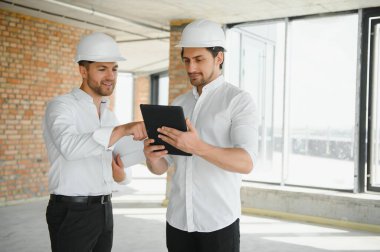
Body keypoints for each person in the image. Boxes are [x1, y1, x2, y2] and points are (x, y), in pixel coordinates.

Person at [143, 20, 258, 252]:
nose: (190, 68)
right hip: (178, 222)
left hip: (218, 223)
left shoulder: (238, 101)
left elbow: (246, 162)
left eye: (199, 60)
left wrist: (197, 147)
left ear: (219, 58)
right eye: (186, 60)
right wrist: (151, 157)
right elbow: (163, 166)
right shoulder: (179, 104)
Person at [43, 32, 147, 252]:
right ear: (83, 70)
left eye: (114, 68)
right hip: (72, 212)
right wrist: (123, 129)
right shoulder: (61, 107)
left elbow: (118, 160)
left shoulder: (108, 115)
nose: (111, 76)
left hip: (104, 209)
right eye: (102, 68)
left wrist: (123, 175)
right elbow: (70, 148)